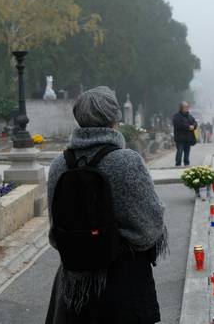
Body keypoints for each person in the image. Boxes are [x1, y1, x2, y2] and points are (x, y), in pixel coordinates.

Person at [46, 86, 167, 324]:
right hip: (124, 283)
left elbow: (55, 234)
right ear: (114, 118)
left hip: (74, 284)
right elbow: (149, 227)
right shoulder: (126, 161)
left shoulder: (59, 164)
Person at [173, 102, 197, 166]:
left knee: (187, 152)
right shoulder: (177, 116)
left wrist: (194, 126)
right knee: (180, 152)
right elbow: (178, 125)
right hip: (180, 138)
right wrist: (188, 127)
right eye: (185, 107)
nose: (187, 108)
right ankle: (178, 164)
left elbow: (194, 122)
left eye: (187, 107)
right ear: (181, 108)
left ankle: (186, 164)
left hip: (188, 138)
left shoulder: (189, 116)